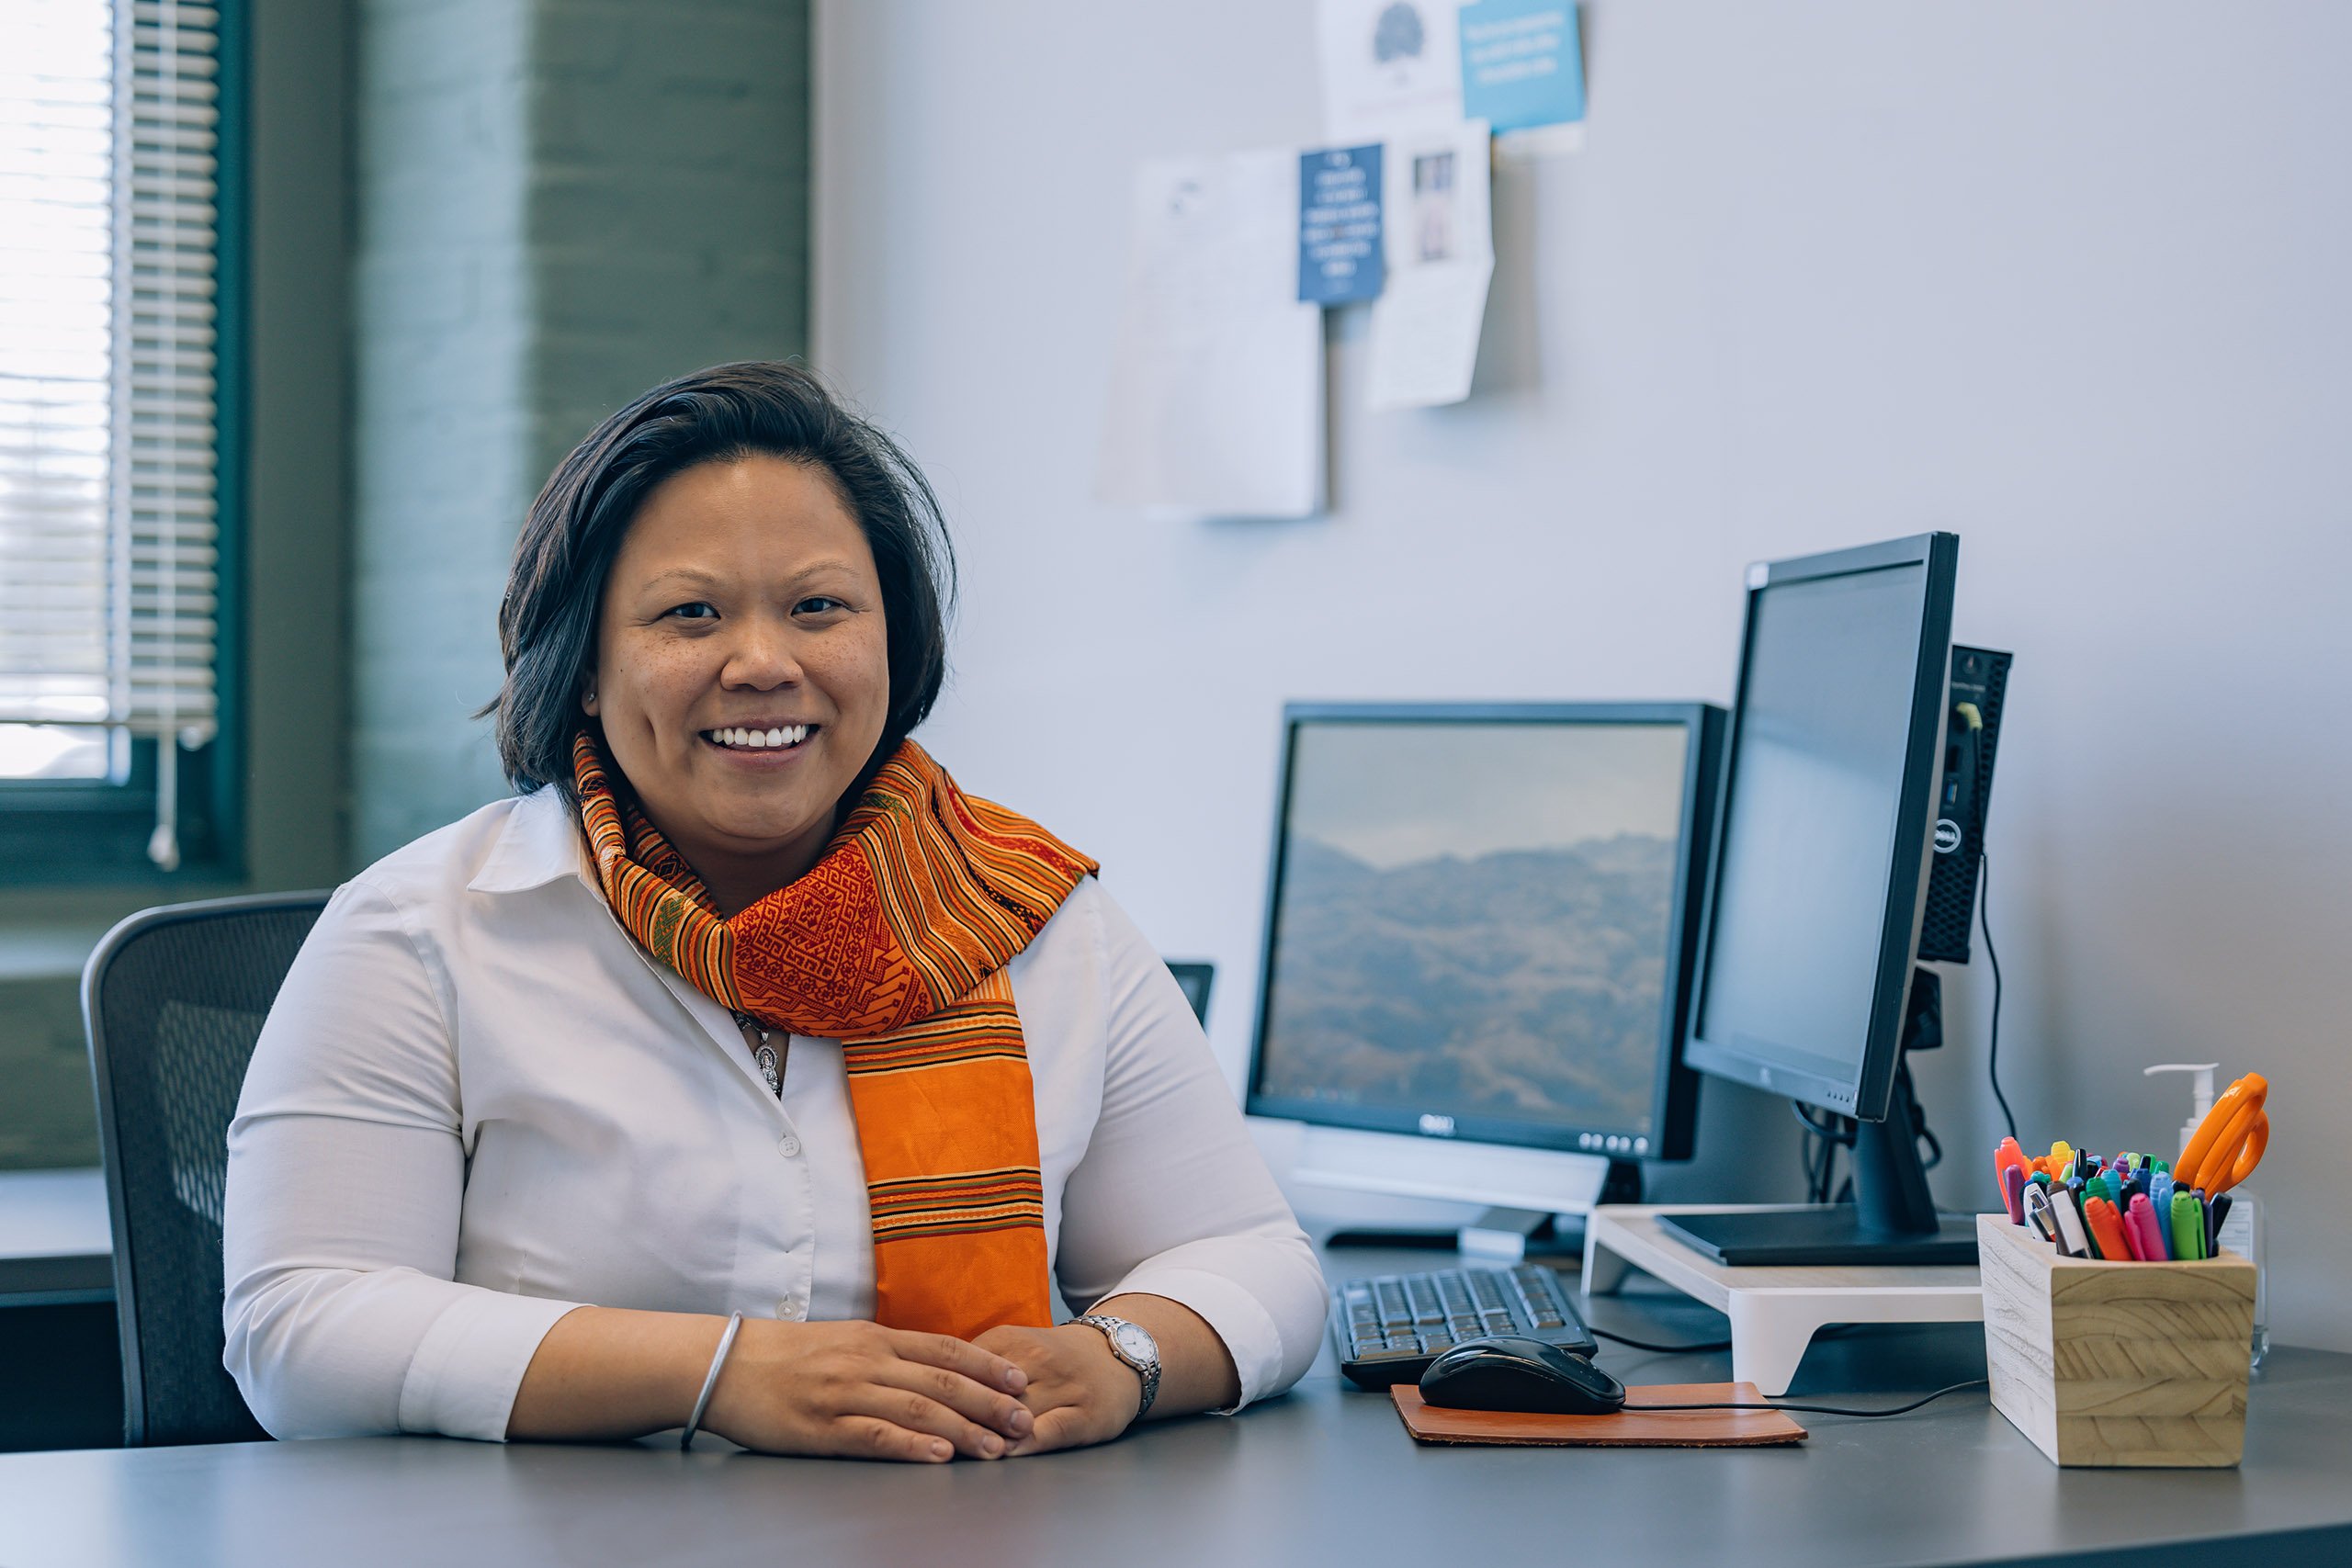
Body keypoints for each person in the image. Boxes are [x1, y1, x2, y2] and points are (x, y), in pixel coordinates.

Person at [221, 362, 1327, 1461]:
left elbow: (1250, 1256)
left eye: (819, 608)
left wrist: (1121, 1357)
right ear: (587, 669)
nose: (762, 663)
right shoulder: (424, 932)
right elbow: (302, 1325)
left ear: (891, 642)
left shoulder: (1029, 915)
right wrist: (718, 1372)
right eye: (690, 614)